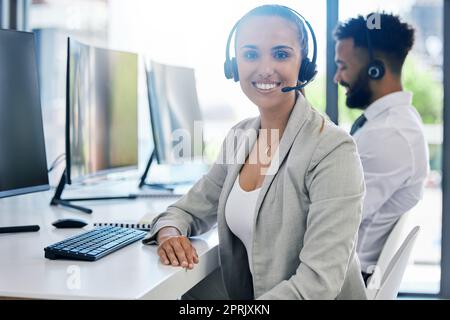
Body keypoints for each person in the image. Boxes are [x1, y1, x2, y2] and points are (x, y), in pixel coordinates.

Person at [143, 4, 367, 300]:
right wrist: (170, 233)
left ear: (304, 64)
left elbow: (318, 283)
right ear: (234, 65)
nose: (264, 68)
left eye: (281, 54)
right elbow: (185, 210)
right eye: (250, 54)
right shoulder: (240, 137)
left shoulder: (331, 149)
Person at [333, 13, 429, 283]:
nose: (337, 78)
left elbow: (335, 218)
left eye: (342, 66)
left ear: (375, 69)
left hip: (343, 282)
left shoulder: (389, 134)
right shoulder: (392, 124)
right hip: (343, 273)